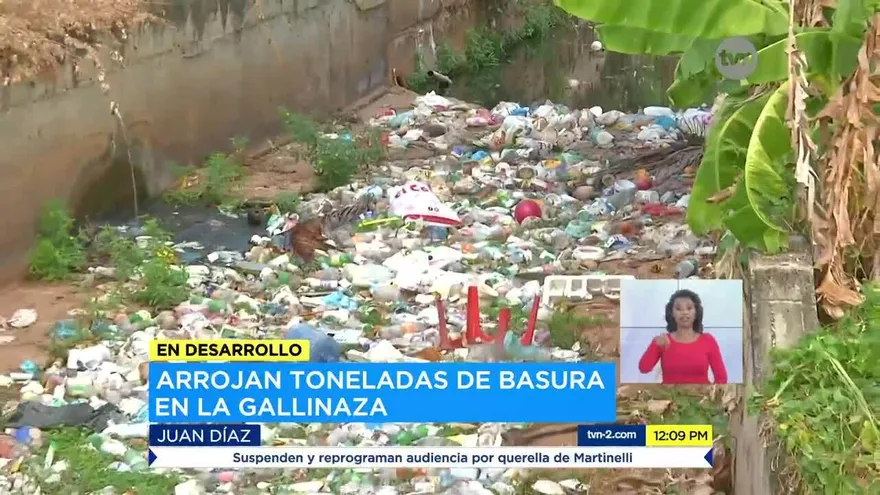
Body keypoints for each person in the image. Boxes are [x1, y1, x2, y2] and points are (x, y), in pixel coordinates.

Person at [638, 289, 728, 384]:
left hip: (702, 393)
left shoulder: (708, 340)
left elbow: (721, 378)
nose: (684, 312)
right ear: (672, 313)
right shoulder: (663, 340)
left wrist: (711, 393)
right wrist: (655, 346)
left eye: (689, 308)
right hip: (670, 393)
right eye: (678, 308)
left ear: (696, 312)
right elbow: (643, 368)